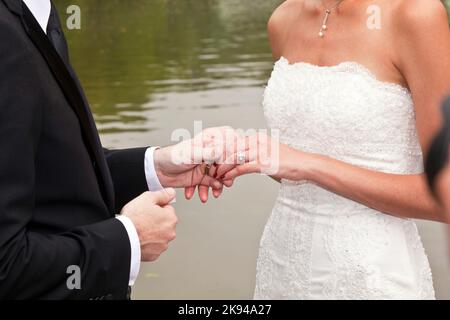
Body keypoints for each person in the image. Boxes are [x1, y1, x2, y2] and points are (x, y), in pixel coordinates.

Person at [216, 0, 450, 299]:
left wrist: (310, 165)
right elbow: (295, 168)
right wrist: (244, 154)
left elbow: (443, 197)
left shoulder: (415, 13)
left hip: (372, 275)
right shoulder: (283, 19)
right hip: (282, 267)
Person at [0, 0, 225, 299]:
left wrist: (156, 166)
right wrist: (128, 239)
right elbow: (6, 265)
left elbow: (51, 174)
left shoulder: (38, 12)